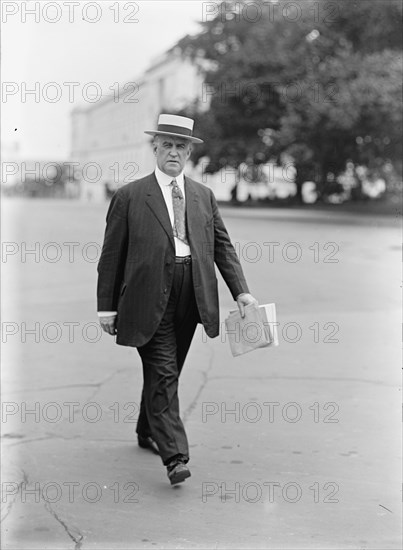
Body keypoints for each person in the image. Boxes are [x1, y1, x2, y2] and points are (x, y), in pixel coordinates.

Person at [97, 114, 257, 485]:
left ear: (189, 152)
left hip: (193, 294)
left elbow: (222, 247)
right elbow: (111, 256)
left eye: (180, 146)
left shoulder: (203, 196)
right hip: (146, 296)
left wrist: (241, 291)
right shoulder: (130, 196)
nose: (173, 152)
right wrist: (106, 305)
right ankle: (174, 456)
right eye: (166, 144)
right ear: (154, 148)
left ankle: (146, 428)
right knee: (164, 372)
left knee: (166, 372)